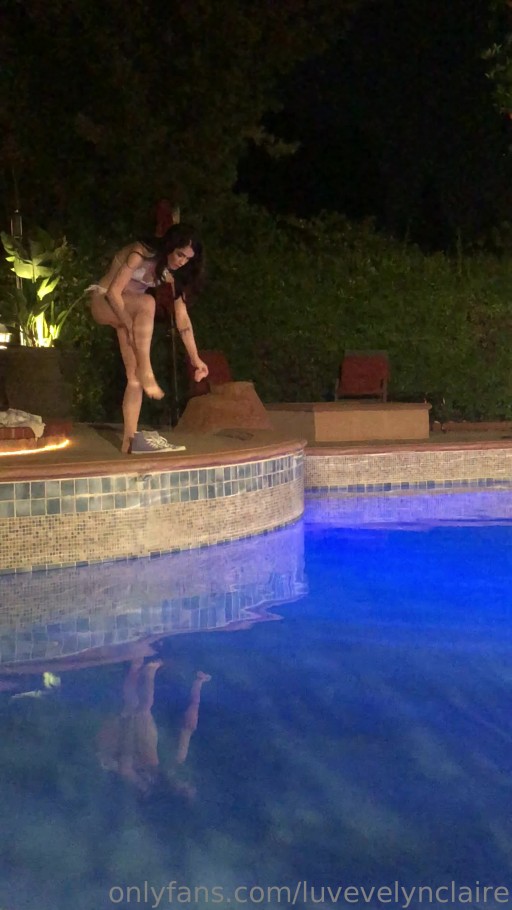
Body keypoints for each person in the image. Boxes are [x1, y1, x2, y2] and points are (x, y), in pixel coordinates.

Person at [88, 224, 209, 454]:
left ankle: (129, 441)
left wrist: (196, 359)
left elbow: (183, 320)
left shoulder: (172, 275)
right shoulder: (141, 252)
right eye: (180, 254)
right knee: (147, 303)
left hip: (128, 309)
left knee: (133, 378)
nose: (182, 261)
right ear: (170, 246)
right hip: (104, 301)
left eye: (187, 258)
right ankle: (146, 368)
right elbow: (113, 293)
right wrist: (128, 324)